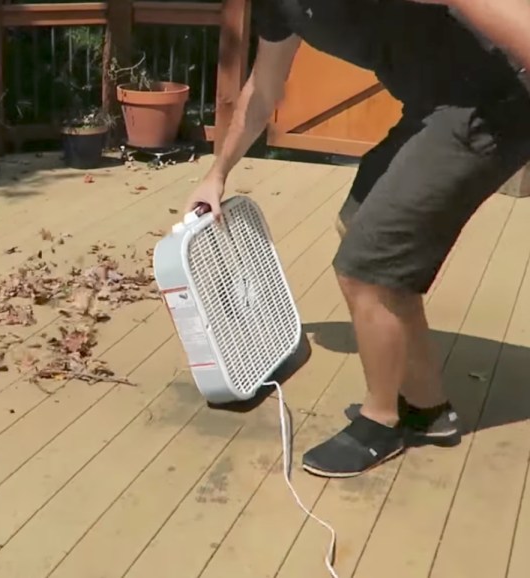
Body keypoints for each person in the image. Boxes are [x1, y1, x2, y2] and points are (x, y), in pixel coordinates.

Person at [184, 0, 530, 478]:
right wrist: (217, 173)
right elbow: (263, 92)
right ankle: (429, 409)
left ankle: (381, 419)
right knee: (360, 227)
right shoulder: (277, 7)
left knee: (365, 267)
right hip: (432, 107)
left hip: (489, 107)